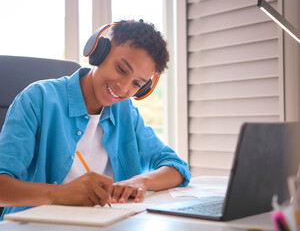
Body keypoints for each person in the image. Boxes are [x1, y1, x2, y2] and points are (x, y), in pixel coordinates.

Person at [0, 19, 191, 219]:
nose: (124, 88)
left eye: (136, 84)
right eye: (121, 69)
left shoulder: (125, 112)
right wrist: (59, 194)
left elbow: (176, 167)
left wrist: (141, 181)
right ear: (100, 52)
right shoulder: (37, 98)